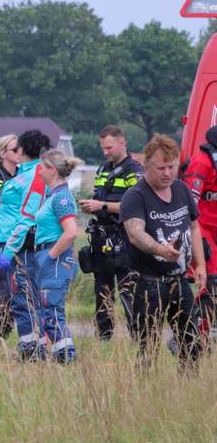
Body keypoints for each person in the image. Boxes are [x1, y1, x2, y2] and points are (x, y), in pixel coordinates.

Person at [120, 133, 207, 367]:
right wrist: (160, 249)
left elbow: (194, 226)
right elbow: (135, 234)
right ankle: (146, 393)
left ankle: (186, 388)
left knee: (192, 345)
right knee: (147, 347)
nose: (167, 173)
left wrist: (200, 265)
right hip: (148, 283)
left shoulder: (181, 189)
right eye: (161, 168)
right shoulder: (135, 196)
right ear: (147, 165)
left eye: (171, 166)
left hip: (179, 280)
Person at [0, 151, 83, 363]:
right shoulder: (52, 194)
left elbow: (71, 231)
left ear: (52, 170)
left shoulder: (62, 197)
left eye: (43, 168)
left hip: (55, 256)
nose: (40, 171)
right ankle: (60, 356)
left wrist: (51, 255)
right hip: (46, 254)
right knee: (47, 310)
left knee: (52, 308)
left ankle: (66, 358)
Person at [79, 125, 144, 341]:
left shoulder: (134, 171)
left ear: (122, 143)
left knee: (128, 291)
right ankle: (104, 338)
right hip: (102, 237)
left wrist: (102, 206)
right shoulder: (102, 169)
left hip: (124, 238)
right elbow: (99, 198)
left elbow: (136, 205)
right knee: (102, 291)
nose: (105, 152)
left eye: (109, 147)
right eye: (103, 148)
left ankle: (139, 338)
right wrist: (90, 206)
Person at [0, 129, 52, 360]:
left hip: (19, 245)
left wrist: (8, 251)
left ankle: (30, 350)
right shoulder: (39, 173)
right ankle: (38, 346)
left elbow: (26, 217)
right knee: (35, 298)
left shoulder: (30, 176)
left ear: (22, 150)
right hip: (29, 244)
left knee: (22, 300)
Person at [181, 124, 217, 342]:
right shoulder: (201, 163)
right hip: (202, 231)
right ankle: (187, 334)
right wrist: (196, 243)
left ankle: (199, 337)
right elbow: (189, 206)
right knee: (212, 283)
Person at [0, 134, 22, 338]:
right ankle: (0, 334)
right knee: (2, 289)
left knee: (20, 289)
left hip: (20, 240)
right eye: (15, 149)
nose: (20, 153)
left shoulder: (23, 174)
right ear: (2, 153)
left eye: (21, 149)